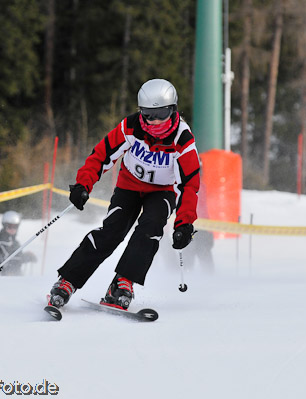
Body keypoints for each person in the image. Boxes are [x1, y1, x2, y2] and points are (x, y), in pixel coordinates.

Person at [47, 78, 201, 310]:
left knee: (150, 229)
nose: (155, 121)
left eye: (161, 113)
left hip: (162, 191)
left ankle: (122, 283)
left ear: (173, 110)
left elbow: (189, 184)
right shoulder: (130, 127)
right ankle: (67, 281)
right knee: (112, 231)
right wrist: (83, 184)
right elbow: (101, 155)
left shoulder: (182, 139)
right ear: (141, 112)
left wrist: (184, 223)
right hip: (129, 186)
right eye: (149, 114)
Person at [0, 211, 37, 276]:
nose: (12, 229)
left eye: (15, 227)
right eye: (9, 226)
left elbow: (17, 255)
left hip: (17, 274)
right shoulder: (1, 242)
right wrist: (25, 257)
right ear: (4, 225)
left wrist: (27, 255)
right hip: (8, 275)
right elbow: (7, 259)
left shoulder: (15, 242)